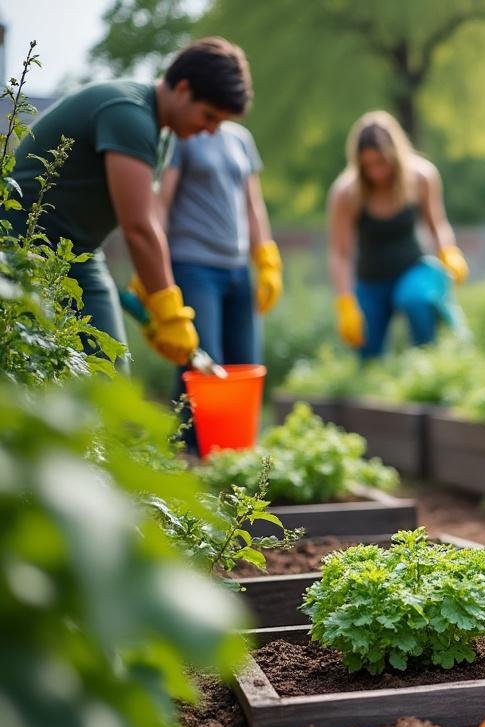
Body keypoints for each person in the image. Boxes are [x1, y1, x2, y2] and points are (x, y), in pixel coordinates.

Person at [0, 37, 253, 370]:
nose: (210, 130)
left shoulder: (162, 134)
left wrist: (150, 287)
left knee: (109, 367)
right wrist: (168, 309)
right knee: (30, 367)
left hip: (77, 255)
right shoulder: (129, 114)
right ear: (183, 89)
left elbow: (146, 215)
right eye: (208, 116)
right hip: (21, 247)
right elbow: (138, 227)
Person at [157, 119, 280, 439]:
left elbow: (253, 205)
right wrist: (154, 270)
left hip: (238, 268)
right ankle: (197, 453)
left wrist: (266, 258)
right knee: (203, 364)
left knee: (244, 365)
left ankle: (233, 449)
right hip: (193, 265)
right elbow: (162, 203)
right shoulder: (183, 136)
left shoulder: (241, 137)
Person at [327, 111, 469, 359]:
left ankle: (428, 362)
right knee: (367, 351)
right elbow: (339, 252)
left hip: (413, 270)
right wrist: (346, 302)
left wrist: (448, 251)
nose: (376, 172)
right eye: (368, 165)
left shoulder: (422, 177)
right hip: (371, 280)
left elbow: (438, 225)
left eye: (381, 163)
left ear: (395, 156)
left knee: (416, 300)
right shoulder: (346, 193)